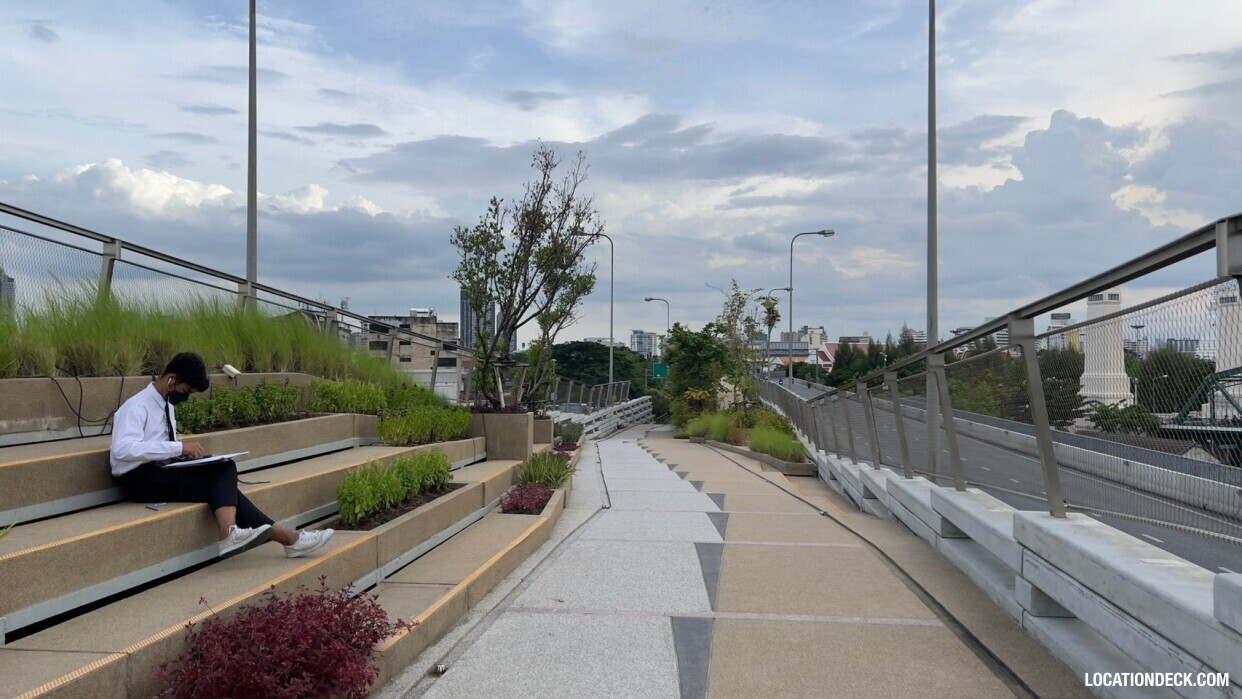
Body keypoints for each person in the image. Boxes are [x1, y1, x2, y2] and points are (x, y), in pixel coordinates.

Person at [110, 352, 334, 559]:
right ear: (171, 380)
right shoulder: (136, 406)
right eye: (186, 391)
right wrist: (178, 448)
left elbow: (158, 446)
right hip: (137, 479)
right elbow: (122, 449)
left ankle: (284, 539)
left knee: (224, 468)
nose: (185, 397)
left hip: (161, 471)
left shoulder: (165, 405)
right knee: (221, 480)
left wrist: (185, 457)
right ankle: (239, 534)